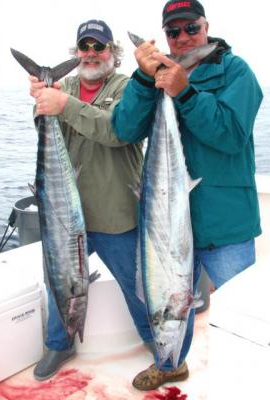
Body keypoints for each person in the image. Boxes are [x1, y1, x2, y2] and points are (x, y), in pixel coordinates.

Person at [112, 0, 263, 391]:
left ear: (206, 26)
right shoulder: (153, 76)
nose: (183, 38)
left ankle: (249, 384)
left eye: (191, 28)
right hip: (166, 223)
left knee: (242, 314)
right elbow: (125, 130)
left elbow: (230, 135)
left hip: (223, 221)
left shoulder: (236, 71)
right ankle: (169, 364)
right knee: (165, 299)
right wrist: (147, 81)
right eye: (173, 32)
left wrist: (185, 92)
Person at [29, 19, 154, 382]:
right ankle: (59, 343)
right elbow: (43, 125)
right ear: (76, 52)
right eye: (85, 46)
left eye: (99, 46)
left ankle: (156, 339)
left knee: (138, 287)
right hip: (66, 217)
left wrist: (62, 104)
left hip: (116, 215)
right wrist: (41, 101)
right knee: (59, 282)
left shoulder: (129, 87)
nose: (91, 53)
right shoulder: (63, 84)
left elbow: (117, 132)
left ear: (112, 53)